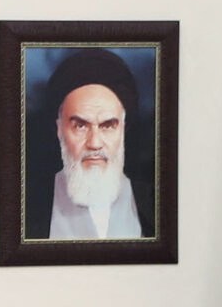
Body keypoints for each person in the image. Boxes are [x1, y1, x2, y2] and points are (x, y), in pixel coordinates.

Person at [41, 48, 148, 240]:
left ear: (123, 129)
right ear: (59, 129)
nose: (95, 143)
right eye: (80, 126)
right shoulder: (29, 206)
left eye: (108, 126)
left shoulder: (153, 204)